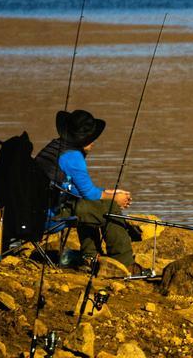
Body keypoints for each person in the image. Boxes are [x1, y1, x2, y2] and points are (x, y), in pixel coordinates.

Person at [35, 109, 136, 271]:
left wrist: (107, 193)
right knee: (109, 208)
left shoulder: (55, 146)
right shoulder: (73, 157)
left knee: (90, 206)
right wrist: (114, 199)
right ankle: (124, 263)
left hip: (37, 210)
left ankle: (90, 257)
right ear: (83, 140)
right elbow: (88, 194)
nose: (94, 141)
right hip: (50, 216)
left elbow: (74, 189)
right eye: (91, 138)